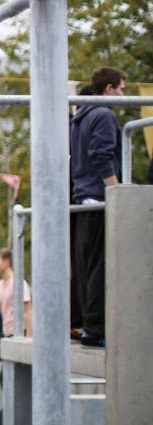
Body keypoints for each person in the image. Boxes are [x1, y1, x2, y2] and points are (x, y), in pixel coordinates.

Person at [69, 67, 125, 349]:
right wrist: (117, 191)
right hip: (99, 197)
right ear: (109, 89)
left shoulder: (79, 119)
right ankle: (94, 328)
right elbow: (102, 156)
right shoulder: (103, 115)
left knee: (86, 266)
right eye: (122, 89)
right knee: (99, 266)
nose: (123, 95)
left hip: (82, 198)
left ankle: (85, 324)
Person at [0, 248, 31, 344]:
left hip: (20, 334)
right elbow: (3, 311)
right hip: (6, 334)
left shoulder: (19, 283)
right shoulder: (0, 285)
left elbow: (29, 311)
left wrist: (29, 337)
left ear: (6, 262)